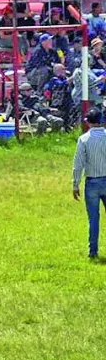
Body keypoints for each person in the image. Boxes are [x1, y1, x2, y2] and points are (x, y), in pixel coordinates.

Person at [73, 108, 106, 258]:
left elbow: (78, 164)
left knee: (93, 218)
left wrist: (75, 184)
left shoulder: (84, 139)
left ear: (87, 122)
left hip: (92, 181)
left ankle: (93, 251)